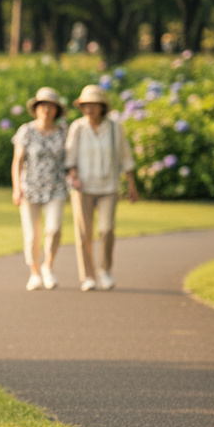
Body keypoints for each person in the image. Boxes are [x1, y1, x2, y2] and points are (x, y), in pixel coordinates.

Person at [66, 84, 138, 291]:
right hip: (83, 187)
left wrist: (131, 184)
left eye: (93, 105)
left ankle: (104, 270)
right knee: (83, 233)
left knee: (106, 229)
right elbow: (69, 157)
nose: (89, 109)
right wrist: (74, 175)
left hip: (108, 187)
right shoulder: (77, 128)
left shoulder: (115, 128)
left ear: (102, 107)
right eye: (85, 105)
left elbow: (126, 157)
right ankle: (88, 276)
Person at [11, 87, 69, 291]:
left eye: (51, 106)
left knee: (54, 229)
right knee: (31, 235)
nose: (46, 109)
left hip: (56, 188)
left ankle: (48, 267)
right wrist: (17, 188)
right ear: (36, 108)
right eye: (43, 105)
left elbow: (71, 159)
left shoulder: (63, 131)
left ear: (56, 110)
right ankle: (34, 272)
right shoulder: (26, 131)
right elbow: (17, 161)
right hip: (30, 189)